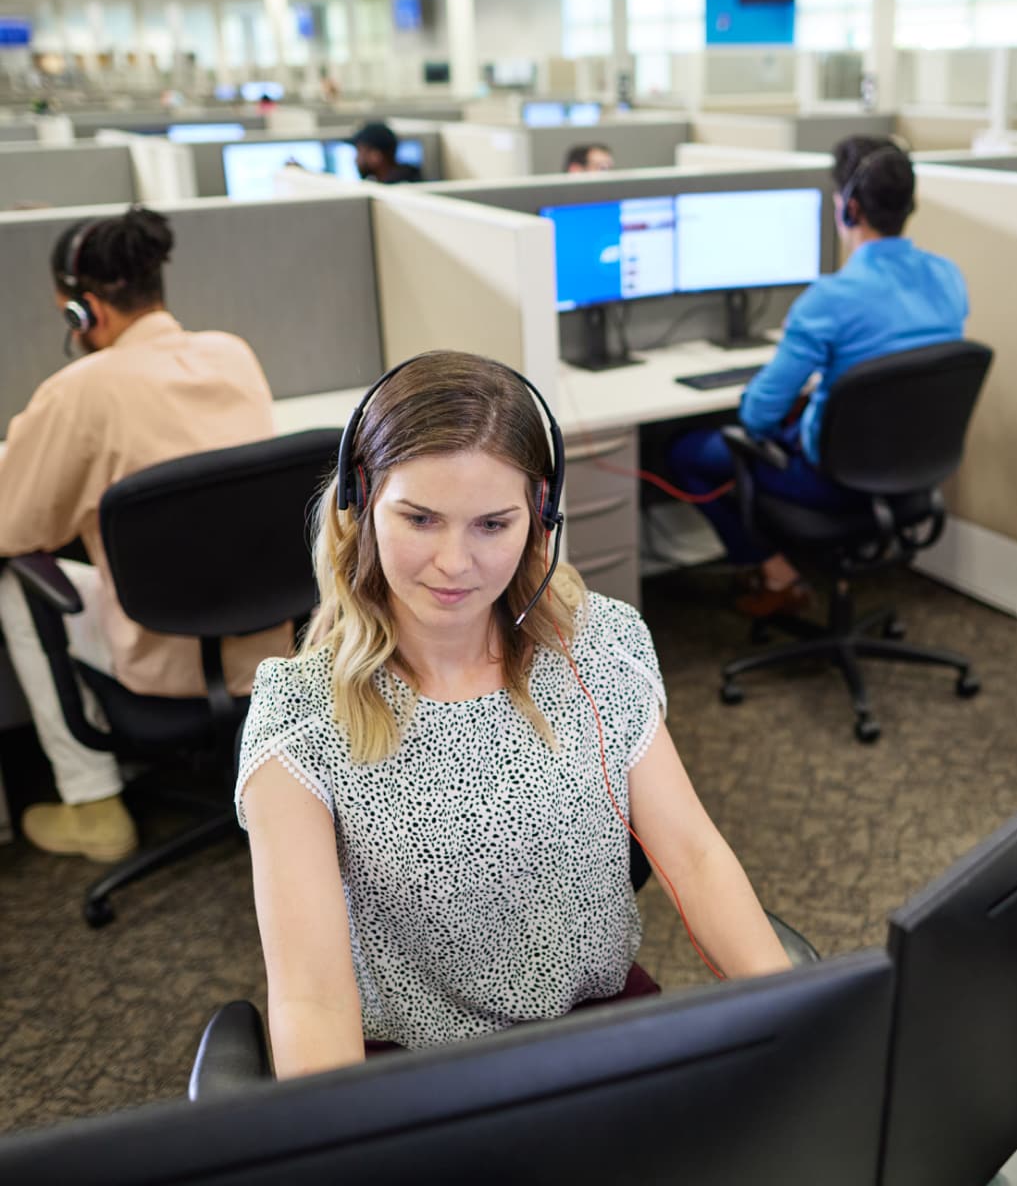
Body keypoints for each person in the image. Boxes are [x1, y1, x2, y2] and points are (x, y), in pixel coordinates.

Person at [236, 351, 792, 1079]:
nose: (454, 563)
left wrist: (797, 1018)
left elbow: (695, 857)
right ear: (361, 502)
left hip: (603, 1033)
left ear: (539, 518)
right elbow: (311, 999)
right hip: (415, 1075)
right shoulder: (302, 719)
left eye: (493, 524)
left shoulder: (600, 648)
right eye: (420, 519)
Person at [0, 206, 287, 861]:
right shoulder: (232, 354)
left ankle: (93, 804)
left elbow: (14, 528)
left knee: (18, 582)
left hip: (164, 657)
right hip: (271, 646)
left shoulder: (79, 391)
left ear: (83, 312)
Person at [669, 136, 968, 617]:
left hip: (832, 482)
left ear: (848, 209)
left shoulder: (830, 299)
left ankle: (776, 574)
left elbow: (757, 416)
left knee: (684, 453)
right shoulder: (949, 277)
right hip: (913, 475)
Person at [351, 121, 423, 184]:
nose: (356, 160)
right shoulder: (406, 178)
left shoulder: (397, 191)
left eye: (359, 152)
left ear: (376, 156)